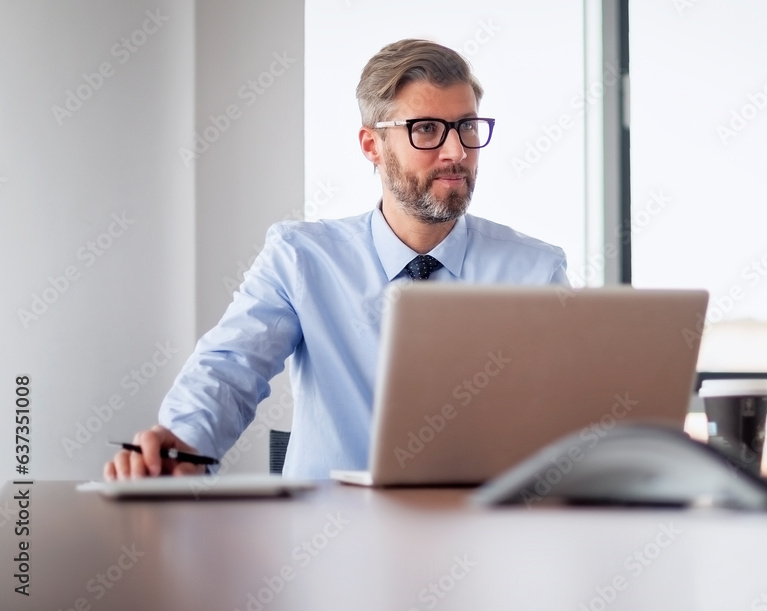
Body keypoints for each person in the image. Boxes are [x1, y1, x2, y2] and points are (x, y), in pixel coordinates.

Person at [104, 38, 568, 480]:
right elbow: (229, 368)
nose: (457, 151)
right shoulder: (301, 258)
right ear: (372, 146)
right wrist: (183, 441)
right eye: (426, 128)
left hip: (482, 538)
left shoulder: (534, 270)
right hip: (325, 540)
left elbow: (570, 414)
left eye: (467, 126)